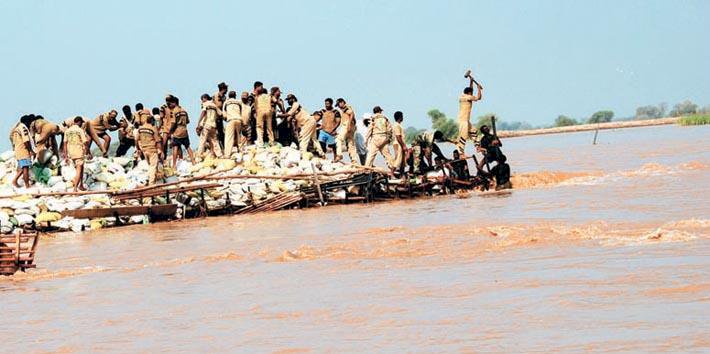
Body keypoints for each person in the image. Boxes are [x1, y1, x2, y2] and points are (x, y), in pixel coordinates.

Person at [456, 72, 483, 155]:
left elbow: (470, 90)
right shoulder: (468, 97)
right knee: (463, 136)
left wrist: (471, 81)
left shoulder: (463, 96)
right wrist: (479, 88)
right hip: (463, 121)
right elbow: (478, 98)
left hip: (466, 120)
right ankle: (461, 153)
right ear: (469, 93)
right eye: (471, 93)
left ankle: (478, 147)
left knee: (473, 131)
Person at [62, 116, 90, 191]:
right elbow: (85, 142)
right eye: (81, 123)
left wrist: (65, 155)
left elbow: (64, 143)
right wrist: (88, 152)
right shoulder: (80, 130)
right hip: (78, 152)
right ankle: (75, 188)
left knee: (81, 168)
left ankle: (81, 185)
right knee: (78, 170)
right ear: (79, 122)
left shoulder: (67, 131)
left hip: (71, 153)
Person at [364, 106, 395, 170]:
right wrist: (389, 139)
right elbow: (390, 129)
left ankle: (366, 169)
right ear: (380, 111)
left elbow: (370, 130)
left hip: (375, 138)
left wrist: (366, 140)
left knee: (371, 155)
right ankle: (393, 169)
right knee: (387, 155)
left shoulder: (372, 119)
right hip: (384, 138)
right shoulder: (385, 119)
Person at [136, 115, 163, 185]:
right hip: (152, 149)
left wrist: (138, 149)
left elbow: (136, 139)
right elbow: (157, 141)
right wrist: (160, 150)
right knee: (153, 167)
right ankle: (151, 184)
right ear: (152, 121)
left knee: (151, 166)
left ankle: (154, 179)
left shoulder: (140, 128)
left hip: (144, 150)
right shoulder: (153, 128)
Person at [10, 116, 35, 188]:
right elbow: (26, 141)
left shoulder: (16, 129)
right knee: (25, 168)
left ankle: (14, 181)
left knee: (22, 168)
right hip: (23, 151)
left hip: (18, 150)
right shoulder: (23, 128)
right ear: (27, 122)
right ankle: (27, 185)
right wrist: (31, 150)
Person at [196, 93, 223, 159]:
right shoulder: (214, 105)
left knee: (202, 140)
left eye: (202, 99)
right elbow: (221, 114)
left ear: (205, 98)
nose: (202, 101)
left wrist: (199, 123)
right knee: (215, 141)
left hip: (206, 125)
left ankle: (199, 156)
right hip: (213, 125)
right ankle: (220, 155)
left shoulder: (205, 104)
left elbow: (203, 113)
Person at [170, 100, 195, 167]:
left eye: (171, 103)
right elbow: (188, 121)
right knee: (187, 146)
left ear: (174, 103)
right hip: (184, 131)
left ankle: (174, 165)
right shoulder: (184, 110)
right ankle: (193, 161)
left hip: (177, 131)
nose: (170, 105)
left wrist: (171, 131)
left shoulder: (174, 111)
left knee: (175, 147)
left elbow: (173, 122)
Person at [334, 98, 359, 164]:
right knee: (350, 143)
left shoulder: (346, 108)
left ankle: (339, 155)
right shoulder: (347, 108)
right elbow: (353, 117)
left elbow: (351, 114)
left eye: (339, 104)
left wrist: (349, 125)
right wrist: (353, 125)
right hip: (351, 126)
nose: (339, 107)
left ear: (342, 102)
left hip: (347, 124)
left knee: (338, 139)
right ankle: (354, 160)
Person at [222, 90, 243, 156]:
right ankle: (241, 151)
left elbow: (224, 114)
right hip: (238, 119)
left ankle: (227, 154)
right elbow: (241, 111)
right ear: (235, 96)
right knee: (239, 137)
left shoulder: (226, 102)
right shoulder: (239, 102)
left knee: (229, 137)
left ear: (228, 96)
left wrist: (226, 118)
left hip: (231, 120)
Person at [213, 82, 228, 150]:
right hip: (216, 117)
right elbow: (216, 106)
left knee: (221, 133)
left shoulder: (224, 97)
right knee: (218, 134)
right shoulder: (216, 96)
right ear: (223, 89)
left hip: (220, 118)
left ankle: (223, 148)